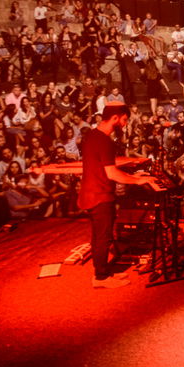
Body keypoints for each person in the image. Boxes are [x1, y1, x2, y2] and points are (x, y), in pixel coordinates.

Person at [37, 104, 162, 288]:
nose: (125, 124)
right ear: (115, 118)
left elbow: (101, 167)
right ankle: (101, 277)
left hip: (92, 193)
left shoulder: (91, 136)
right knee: (103, 237)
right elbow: (111, 173)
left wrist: (133, 175)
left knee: (99, 236)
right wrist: (138, 180)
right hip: (100, 195)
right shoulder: (104, 141)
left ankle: (103, 270)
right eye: (124, 120)